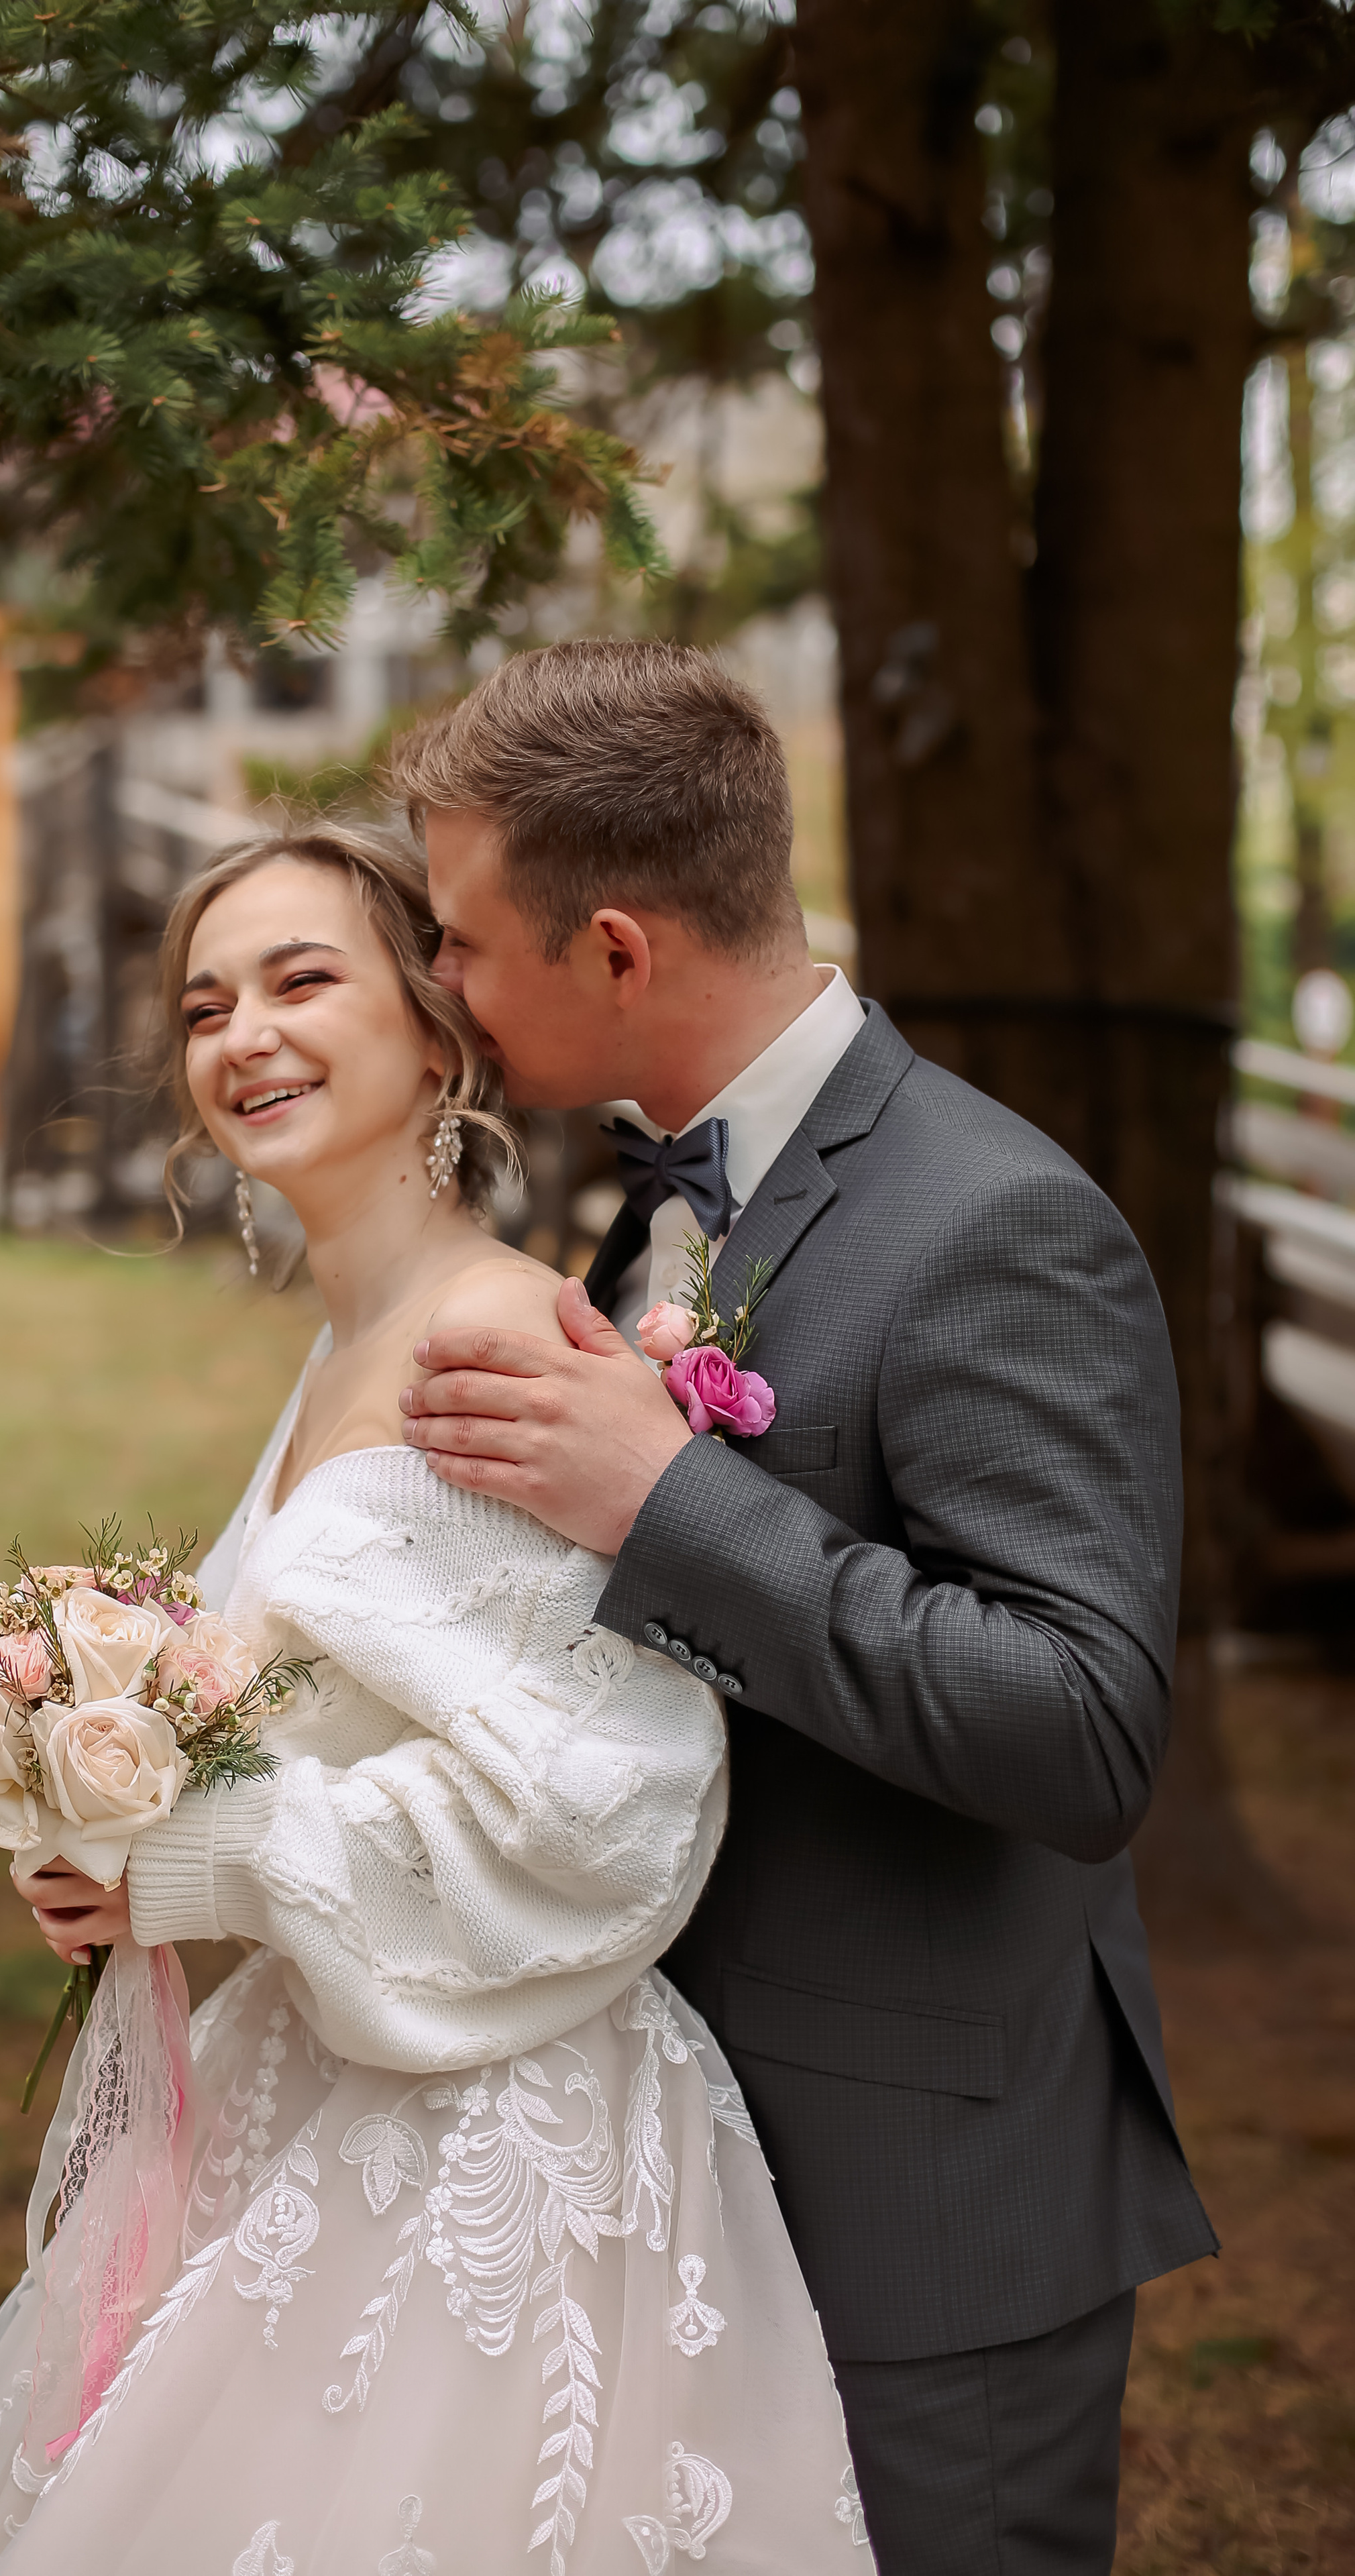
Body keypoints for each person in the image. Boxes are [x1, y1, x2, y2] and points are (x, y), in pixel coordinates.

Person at [0, 824, 863, 2576]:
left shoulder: (507, 1346)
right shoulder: (344, 1349)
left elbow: (608, 1801)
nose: (241, 1033)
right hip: (322, 2078)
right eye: (205, 1005)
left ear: (438, 1027)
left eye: (301, 980)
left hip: (488, 2142)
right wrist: (108, 1822)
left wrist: (209, 1855)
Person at [384, 637, 1218, 2576]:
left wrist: (667, 1499)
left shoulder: (999, 1222)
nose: (441, 982)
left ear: (616, 950)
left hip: (923, 2200)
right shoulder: (655, 1200)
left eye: (462, 941)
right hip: (670, 2161)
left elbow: (1083, 1729)